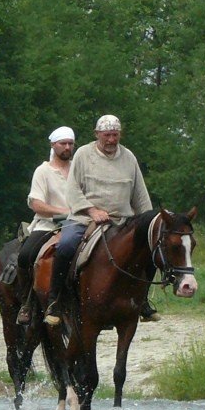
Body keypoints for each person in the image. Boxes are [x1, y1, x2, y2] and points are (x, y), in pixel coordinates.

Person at [44, 114, 155, 326]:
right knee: (66, 246)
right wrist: (91, 210)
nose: (111, 140)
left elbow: (140, 194)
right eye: (107, 135)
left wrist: (146, 223)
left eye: (115, 135)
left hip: (122, 221)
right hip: (84, 218)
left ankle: (142, 301)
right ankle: (55, 301)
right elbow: (72, 189)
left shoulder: (129, 157)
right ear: (97, 135)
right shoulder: (83, 155)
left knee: (149, 250)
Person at [14, 126, 76, 323]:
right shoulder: (43, 171)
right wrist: (64, 212)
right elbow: (37, 204)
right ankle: (27, 302)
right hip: (48, 225)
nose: (67, 147)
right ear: (53, 145)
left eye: (70, 143)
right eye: (63, 143)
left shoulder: (79, 169)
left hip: (78, 223)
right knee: (25, 256)